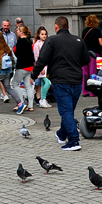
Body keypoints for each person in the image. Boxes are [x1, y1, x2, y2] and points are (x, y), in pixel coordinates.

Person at [31, 16, 91, 152]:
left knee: (66, 111)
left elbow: (42, 59)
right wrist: (74, 64)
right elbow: (86, 60)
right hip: (76, 81)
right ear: (68, 27)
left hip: (60, 80)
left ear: (56, 27)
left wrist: (34, 75)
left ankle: (74, 140)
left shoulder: (52, 40)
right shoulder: (78, 40)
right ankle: (61, 134)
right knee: (68, 111)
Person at [81, 15, 102, 97]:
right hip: (94, 55)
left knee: (85, 73)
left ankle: (85, 91)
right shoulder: (97, 32)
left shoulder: (84, 31)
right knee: (93, 72)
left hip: (84, 54)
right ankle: (92, 92)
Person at [11, 24, 35, 113]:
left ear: (21, 32)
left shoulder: (20, 42)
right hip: (29, 66)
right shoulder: (29, 40)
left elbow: (17, 55)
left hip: (22, 66)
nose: (17, 32)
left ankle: (21, 103)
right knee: (28, 86)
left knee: (14, 84)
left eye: (18, 30)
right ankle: (30, 106)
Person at [33, 26, 51, 107]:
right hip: (42, 67)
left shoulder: (47, 43)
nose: (44, 36)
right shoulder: (37, 44)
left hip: (48, 67)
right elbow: (37, 57)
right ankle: (42, 99)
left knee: (43, 84)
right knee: (47, 83)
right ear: (39, 35)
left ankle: (43, 99)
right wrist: (40, 68)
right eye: (42, 34)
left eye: (45, 34)